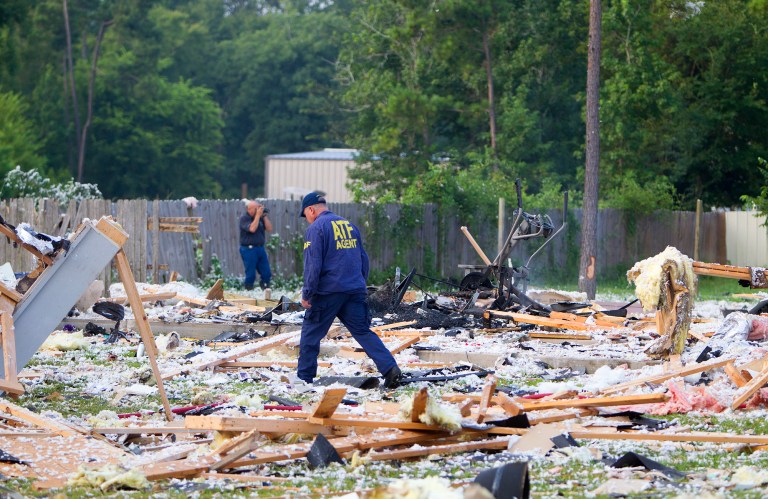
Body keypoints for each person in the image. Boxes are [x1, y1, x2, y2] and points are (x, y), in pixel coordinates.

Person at [297, 191, 402, 388]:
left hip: (328, 292)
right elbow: (364, 259)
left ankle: (304, 379)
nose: (307, 220)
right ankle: (390, 369)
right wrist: (360, 284)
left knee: (310, 335)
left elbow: (313, 264)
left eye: (306, 215)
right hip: (353, 289)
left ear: (311, 209)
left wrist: (308, 293)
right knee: (362, 331)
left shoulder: (316, 228)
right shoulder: (349, 225)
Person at [239, 200, 272, 290]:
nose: (258, 210)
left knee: (266, 272)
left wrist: (264, 216)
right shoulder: (244, 218)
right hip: (248, 249)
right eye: (256, 209)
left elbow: (269, 228)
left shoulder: (260, 218)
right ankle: (248, 290)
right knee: (250, 274)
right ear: (249, 209)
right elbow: (252, 229)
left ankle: (265, 289)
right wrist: (258, 216)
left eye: (259, 208)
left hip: (260, 248)